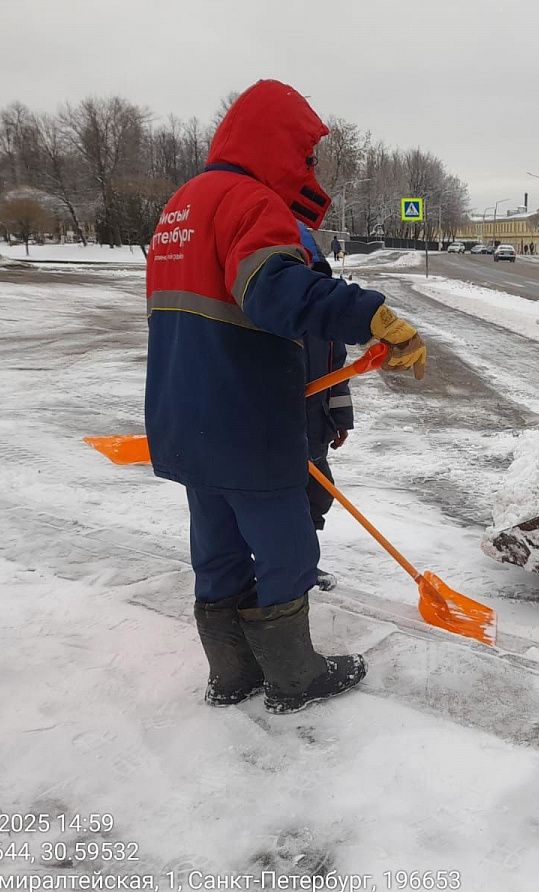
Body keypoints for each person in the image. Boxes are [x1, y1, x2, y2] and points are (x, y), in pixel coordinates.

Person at [145, 79, 427, 715]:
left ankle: (231, 674)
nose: (308, 171)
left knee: (215, 545)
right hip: (247, 421)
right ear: (273, 143)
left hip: (183, 417)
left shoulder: (181, 207)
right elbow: (273, 293)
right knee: (287, 548)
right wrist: (371, 315)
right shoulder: (252, 202)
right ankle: (293, 678)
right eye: (304, 156)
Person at [297, 223, 350, 593]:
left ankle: (303, 562)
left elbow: (337, 371)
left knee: (319, 494)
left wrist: (341, 419)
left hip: (315, 426)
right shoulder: (266, 316)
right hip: (277, 430)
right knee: (282, 503)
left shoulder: (322, 320)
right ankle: (289, 568)